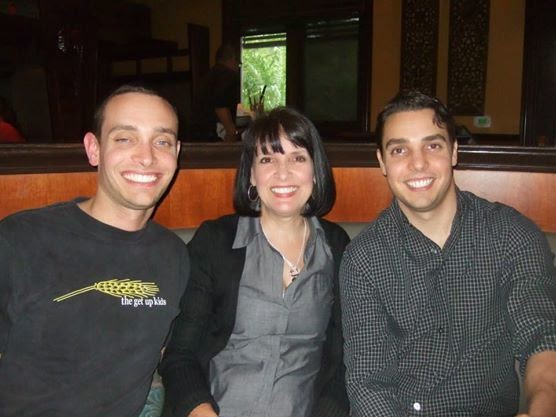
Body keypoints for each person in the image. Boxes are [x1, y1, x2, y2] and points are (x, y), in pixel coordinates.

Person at [340, 90, 556, 417]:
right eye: (399, 150)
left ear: (454, 151)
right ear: (382, 162)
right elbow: (369, 382)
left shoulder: (511, 235)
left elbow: (542, 339)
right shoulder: (364, 257)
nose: (418, 164)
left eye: (433, 146)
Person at [0, 85, 190, 416]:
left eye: (161, 141)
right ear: (94, 149)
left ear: (176, 152)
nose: (146, 157)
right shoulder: (21, 239)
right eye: (125, 139)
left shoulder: (174, 256)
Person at [160, 107, 350, 417]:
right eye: (267, 160)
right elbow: (180, 355)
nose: (283, 173)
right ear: (251, 173)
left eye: (297, 158)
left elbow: (348, 360)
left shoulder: (336, 247)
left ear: (315, 171)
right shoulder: (216, 242)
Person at [190, 44, 241, 142]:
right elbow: (221, 104)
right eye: (237, 61)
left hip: (198, 134)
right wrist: (231, 131)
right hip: (214, 134)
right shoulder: (226, 75)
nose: (238, 66)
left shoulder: (209, 75)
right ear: (233, 58)